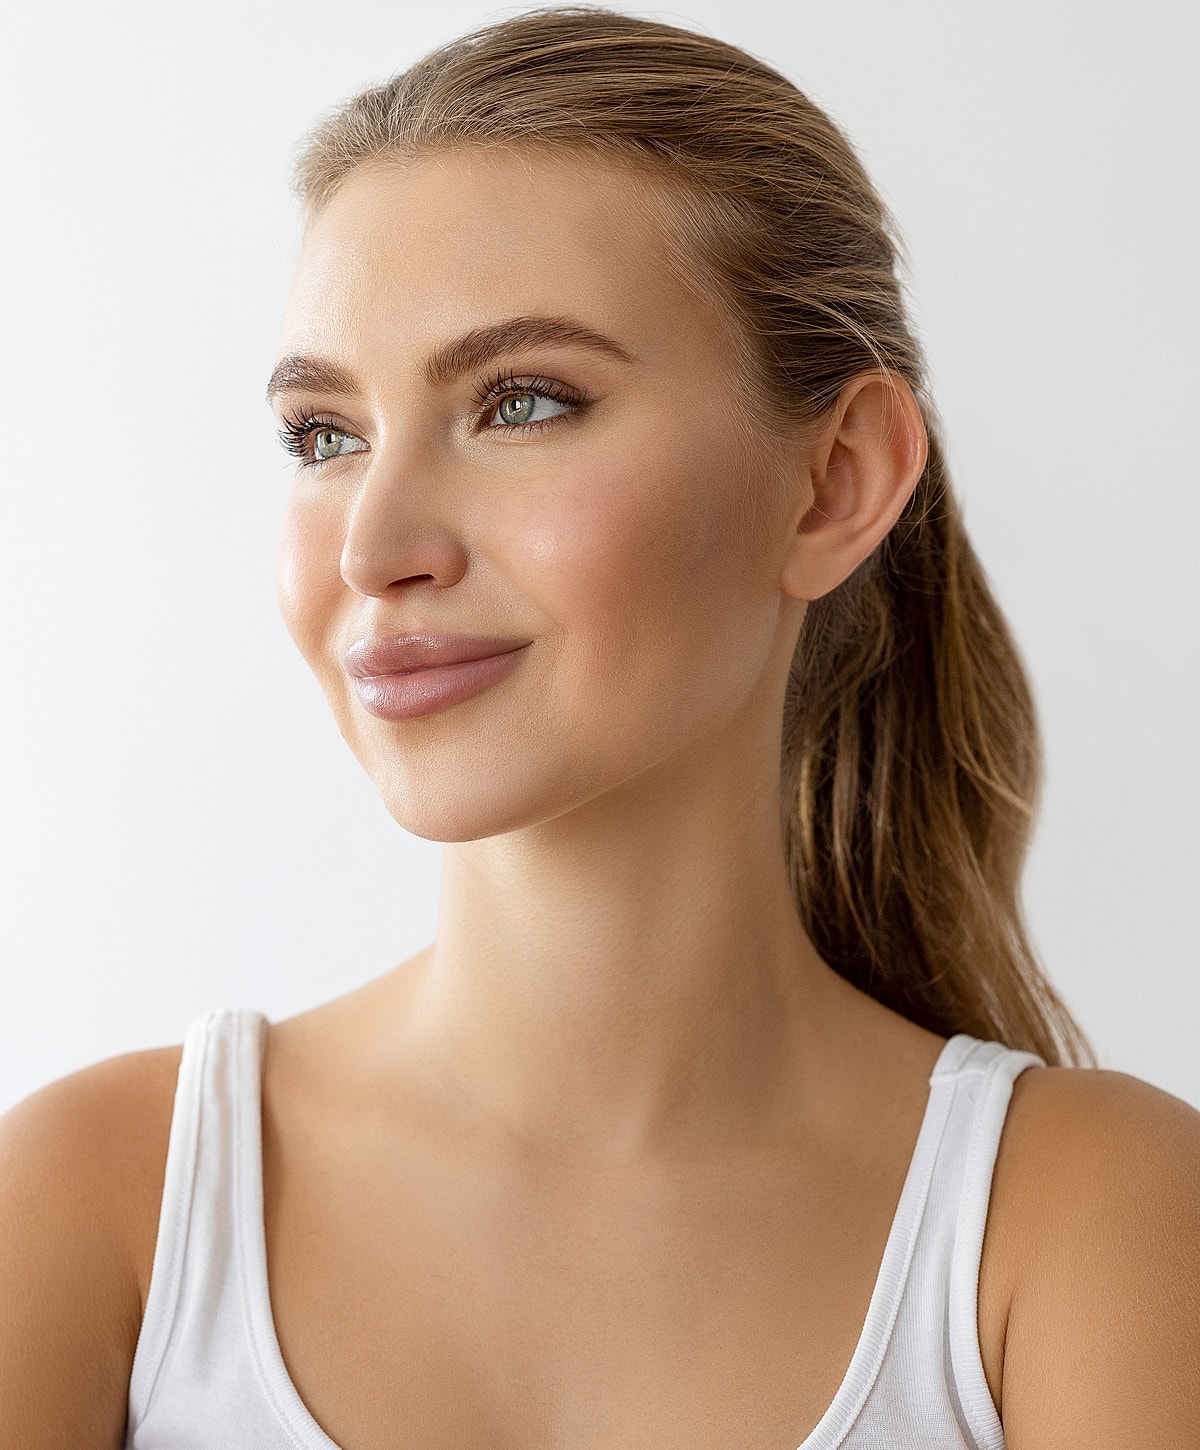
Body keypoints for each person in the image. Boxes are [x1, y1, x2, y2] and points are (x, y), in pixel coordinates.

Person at [2, 6, 1198, 1446]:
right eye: (327, 435)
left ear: (833, 483)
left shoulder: (1083, 1225)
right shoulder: (94, 1204)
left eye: (522, 401)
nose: (376, 543)